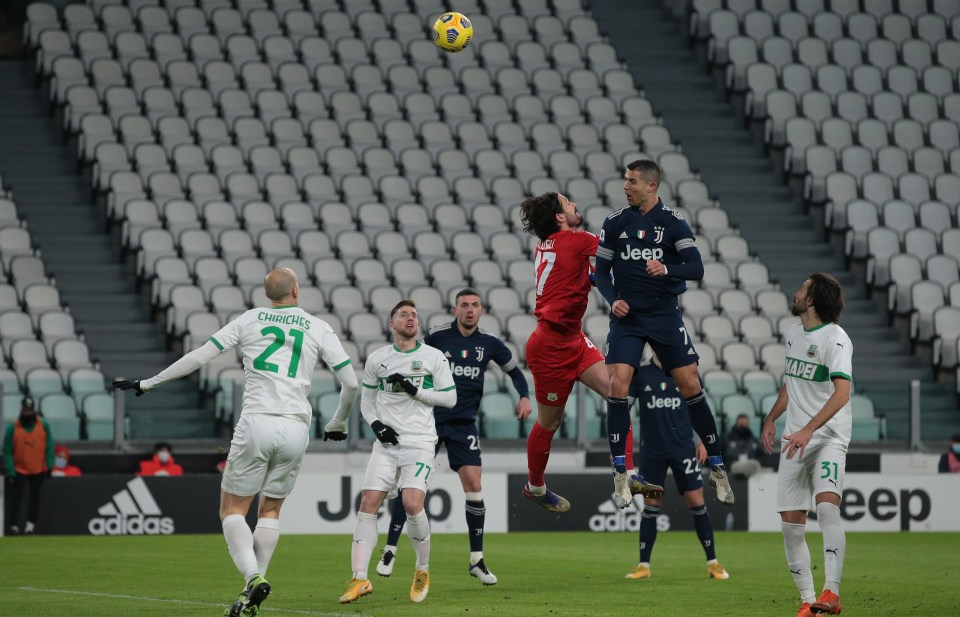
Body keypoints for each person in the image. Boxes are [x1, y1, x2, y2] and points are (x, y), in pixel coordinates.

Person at [113, 268, 359, 617]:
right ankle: (250, 592)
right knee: (270, 511)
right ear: (296, 292)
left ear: (267, 294)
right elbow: (351, 384)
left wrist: (149, 383)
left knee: (231, 511)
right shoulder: (318, 326)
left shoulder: (249, 319)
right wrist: (338, 422)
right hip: (296, 427)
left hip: (257, 421)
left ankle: (252, 577)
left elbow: (200, 356)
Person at [594, 159, 734, 506]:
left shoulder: (672, 223)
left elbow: (697, 267)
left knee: (690, 383)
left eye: (632, 181)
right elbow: (600, 272)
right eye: (626, 180)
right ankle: (621, 473)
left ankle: (717, 466)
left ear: (651, 186)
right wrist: (612, 301)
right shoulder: (614, 222)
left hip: (663, 314)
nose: (625, 186)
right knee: (618, 384)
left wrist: (667, 267)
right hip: (627, 318)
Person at [375, 288, 532, 585]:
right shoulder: (437, 336)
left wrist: (524, 396)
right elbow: (411, 357)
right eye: (464, 305)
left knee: (474, 484)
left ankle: (477, 560)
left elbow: (514, 371)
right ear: (455, 308)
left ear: (482, 310)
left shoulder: (489, 343)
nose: (469, 310)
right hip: (429, 422)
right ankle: (390, 548)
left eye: (475, 305)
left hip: (463, 424)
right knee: (410, 486)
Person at [519, 192, 663, 513]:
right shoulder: (576, 240)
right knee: (548, 424)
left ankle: (624, 473)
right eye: (568, 203)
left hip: (573, 340)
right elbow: (619, 247)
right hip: (550, 347)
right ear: (560, 217)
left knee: (617, 391)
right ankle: (535, 485)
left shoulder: (554, 246)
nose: (574, 205)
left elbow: (586, 277)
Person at [339, 299, 456, 605]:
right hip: (386, 445)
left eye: (415, 315)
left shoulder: (433, 357)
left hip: (419, 442)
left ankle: (422, 569)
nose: (411, 318)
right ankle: (359, 579)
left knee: (411, 502)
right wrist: (376, 424)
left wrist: (416, 391)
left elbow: (451, 399)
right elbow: (366, 401)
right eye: (404, 314)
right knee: (368, 502)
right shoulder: (378, 359)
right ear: (392, 323)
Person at [760, 273, 851, 617]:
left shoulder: (836, 339)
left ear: (811, 301)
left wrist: (810, 429)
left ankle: (832, 592)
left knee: (827, 507)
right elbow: (792, 382)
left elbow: (842, 393)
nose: (796, 293)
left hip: (827, 437)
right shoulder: (793, 334)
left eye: (802, 289)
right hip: (795, 438)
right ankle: (808, 602)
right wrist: (771, 418)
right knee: (790, 524)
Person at [625, 351, 729, 581]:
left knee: (696, 500)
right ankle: (643, 565)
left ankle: (713, 562)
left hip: (683, 449)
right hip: (652, 451)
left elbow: (699, 408)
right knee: (651, 504)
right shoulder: (640, 373)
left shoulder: (684, 369)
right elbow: (623, 410)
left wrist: (702, 440)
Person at [3, 397, 54, 535]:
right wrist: (10, 470)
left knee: (35, 498)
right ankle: (13, 525)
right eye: (25, 411)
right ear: (21, 410)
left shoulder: (43, 425)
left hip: (37, 469)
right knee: (16, 498)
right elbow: (6, 451)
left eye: (30, 410)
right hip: (19, 469)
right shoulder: (12, 428)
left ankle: (30, 526)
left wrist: (49, 465)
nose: (27, 414)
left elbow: (49, 445)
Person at [725, 414, 763, 478]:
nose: (743, 426)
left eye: (745, 424)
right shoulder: (726, 438)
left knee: (754, 464)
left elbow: (761, 454)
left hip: (751, 467)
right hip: (732, 467)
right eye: (741, 424)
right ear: (736, 423)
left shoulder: (753, 439)